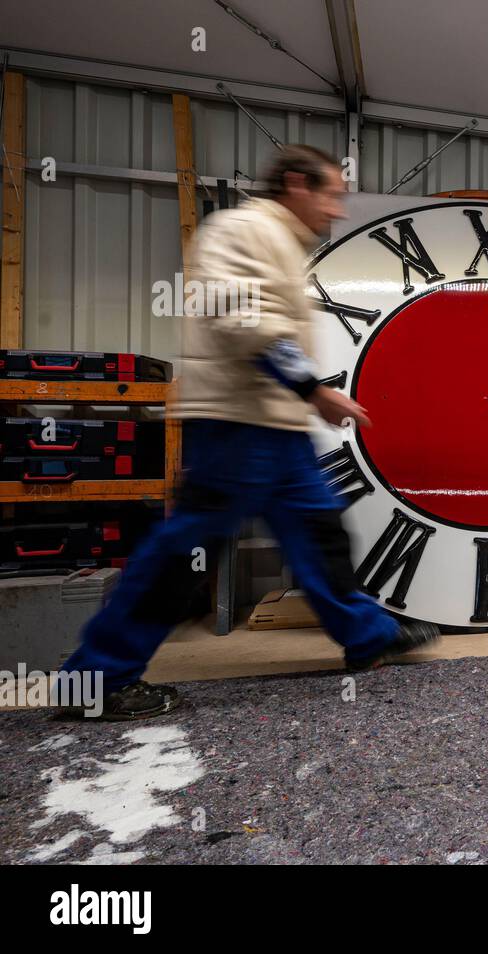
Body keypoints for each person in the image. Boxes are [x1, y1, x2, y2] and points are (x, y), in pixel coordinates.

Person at [59, 145, 437, 721]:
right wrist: (313, 389)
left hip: (274, 426)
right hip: (236, 423)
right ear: (295, 184)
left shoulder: (279, 243)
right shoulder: (239, 230)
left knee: (319, 535)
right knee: (183, 551)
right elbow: (242, 319)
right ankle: (96, 679)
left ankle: (367, 636)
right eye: (332, 194)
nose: (337, 210)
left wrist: (303, 398)